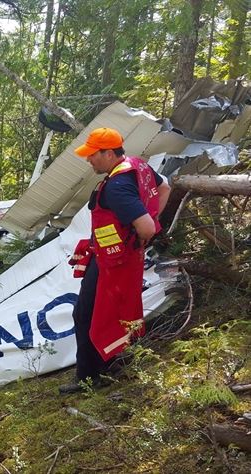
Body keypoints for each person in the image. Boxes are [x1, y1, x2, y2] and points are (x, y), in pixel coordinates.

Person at [59, 128, 170, 394]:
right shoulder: (137, 166)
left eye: (92, 155)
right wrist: (143, 229)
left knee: (86, 314)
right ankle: (112, 364)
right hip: (118, 256)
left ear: (109, 153)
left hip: (114, 262)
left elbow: (147, 228)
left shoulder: (118, 186)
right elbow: (164, 186)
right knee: (115, 312)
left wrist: (140, 234)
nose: (89, 160)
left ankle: (89, 377)